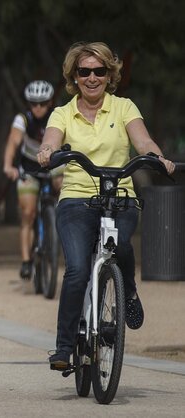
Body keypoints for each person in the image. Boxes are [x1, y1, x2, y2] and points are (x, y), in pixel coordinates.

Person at [37, 42, 175, 370]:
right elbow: (52, 140)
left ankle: (127, 291)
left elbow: (142, 142)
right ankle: (64, 346)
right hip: (77, 199)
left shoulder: (124, 107)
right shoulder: (62, 112)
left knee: (121, 245)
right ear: (74, 76)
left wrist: (157, 158)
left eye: (99, 71)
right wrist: (46, 151)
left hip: (120, 197)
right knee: (77, 270)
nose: (92, 77)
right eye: (84, 71)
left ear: (109, 74)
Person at [2, 80, 63, 279]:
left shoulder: (59, 117)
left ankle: (60, 228)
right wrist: (8, 166)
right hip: (29, 168)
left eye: (43, 103)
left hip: (53, 166)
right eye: (34, 103)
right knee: (28, 212)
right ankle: (27, 261)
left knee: (63, 187)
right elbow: (13, 142)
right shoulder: (23, 119)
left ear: (50, 102)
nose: (38, 107)